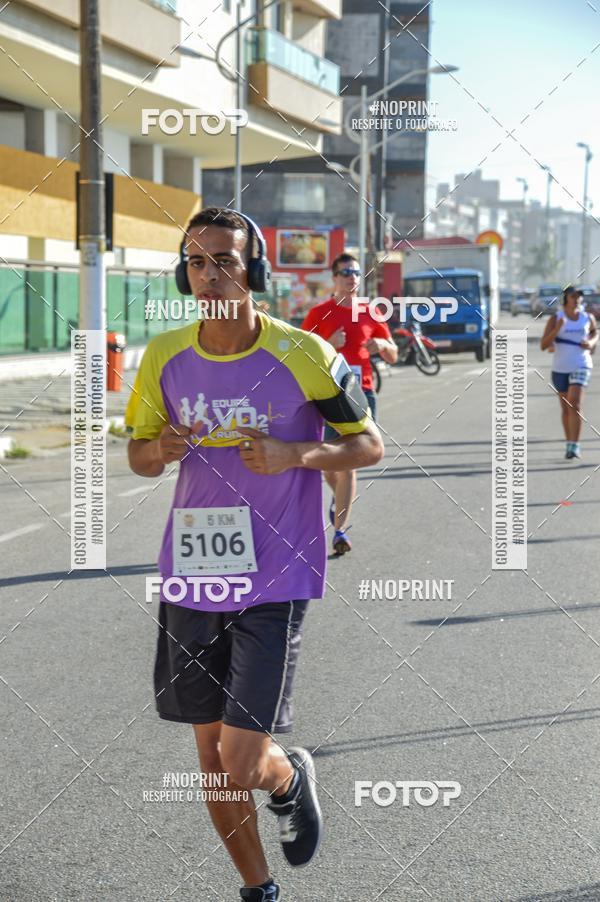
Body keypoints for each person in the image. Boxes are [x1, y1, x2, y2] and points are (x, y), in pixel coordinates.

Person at [125, 207, 384, 902]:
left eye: (227, 262)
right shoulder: (164, 356)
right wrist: (161, 448)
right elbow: (138, 456)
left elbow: (368, 445)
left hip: (277, 571)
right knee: (210, 761)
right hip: (195, 574)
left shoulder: (303, 352)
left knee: (241, 761)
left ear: (255, 272)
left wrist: (295, 453)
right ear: (185, 271)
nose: (211, 274)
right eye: (198, 260)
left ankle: (289, 778)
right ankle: (257, 890)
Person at [301, 253, 397, 554]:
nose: (351, 277)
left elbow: (393, 353)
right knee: (331, 465)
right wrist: (329, 344)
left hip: (361, 392)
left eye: (355, 272)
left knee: (350, 463)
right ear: (334, 278)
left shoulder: (372, 312)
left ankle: (340, 530)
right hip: (327, 394)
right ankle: (339, 500)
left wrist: (382, 344)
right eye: (345, 272)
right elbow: (299, 356)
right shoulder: (319, 313)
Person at [541, 285, 597, 459]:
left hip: (581, 364)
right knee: (566, 409)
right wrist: (557, 329)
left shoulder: (587, 317)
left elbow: (595, 333)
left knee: (575, 403)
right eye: (573, 296)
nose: (577, 299)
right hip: (560, 368)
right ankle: (569, 443)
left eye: (579, 296)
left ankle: (575, 445)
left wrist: (592, 342)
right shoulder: (555, 318)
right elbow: (543, 345)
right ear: (566, 299)